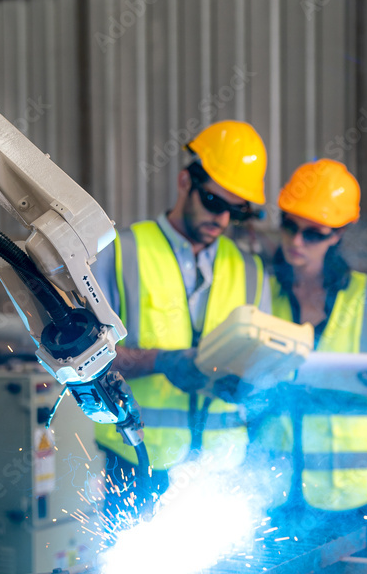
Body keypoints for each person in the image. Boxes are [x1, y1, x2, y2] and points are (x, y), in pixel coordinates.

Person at [251, 158, 367, 574]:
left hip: (353, 489)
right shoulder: (260, 291)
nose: (296, 242)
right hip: (283, 485)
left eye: (312, 233)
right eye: (290, 227)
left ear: (337, 235)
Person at [91, 120, 272, 515]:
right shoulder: (122, 253)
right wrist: (161, 362)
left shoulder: (251, 272)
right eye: (214, 203)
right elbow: (87, 362)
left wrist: (252, 385)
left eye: (235, 212)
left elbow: (266, 370)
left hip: (221, 472)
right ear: (184, 183)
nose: (222, 221)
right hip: (135, 462)